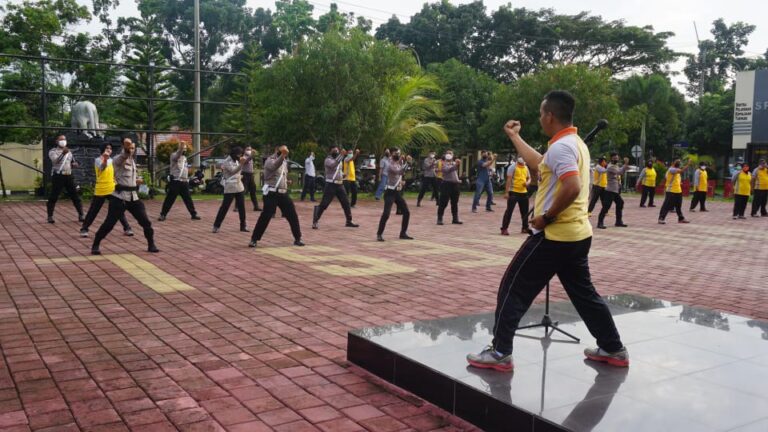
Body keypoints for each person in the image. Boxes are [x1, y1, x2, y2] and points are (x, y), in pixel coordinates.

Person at [467, 90, 627, 372]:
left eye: (541, 114)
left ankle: (500, 351)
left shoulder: (562, 147)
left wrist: (546, 217)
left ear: (550, 116)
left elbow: (573, 186)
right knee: (584, 294)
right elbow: (541, 164)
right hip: (578, 235)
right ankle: (613, 348)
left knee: (512, 289)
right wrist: (514, 137)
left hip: (554, 236)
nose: (540, 118)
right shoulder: (573, 143)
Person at [91, 137, 158, 255]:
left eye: (133, 148)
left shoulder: (132, 161)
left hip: (133, 197)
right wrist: (126, 149)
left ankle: (151, 244)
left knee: (146, 222)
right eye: (129, 148)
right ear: (124, 148)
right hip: (119, 197)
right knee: (109, 224)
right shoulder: (117, 159)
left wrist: (136, 181)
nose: (131, 150)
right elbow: (124, 155)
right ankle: (95, 244)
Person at [249, 145, 304, 248]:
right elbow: (274, 166)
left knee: (292, 215)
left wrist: (286, 181)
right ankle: (254, 239)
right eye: (282, 149)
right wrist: (282, 155)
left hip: (283, 193)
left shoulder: (284, 161)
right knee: (266, 216)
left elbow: (281, 175)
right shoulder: (270, 160)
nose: (285, 151)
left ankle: (298, 238)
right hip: (271, 193)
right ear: (277, 149)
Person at [80, 143, 133, 238]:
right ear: (102, 150)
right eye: (107, 148)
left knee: (118, 209)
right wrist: (105, 159)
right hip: (101, 189)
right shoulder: (97, 160)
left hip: (112, 188)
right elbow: (102, 168)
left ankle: (127, 228)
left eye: (110, 148)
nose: (109, 150)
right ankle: (84, 229)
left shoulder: (113, 161)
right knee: (93, 210)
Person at [313, 146, 359, 229]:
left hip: (340, 185)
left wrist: (342, 175)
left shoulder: (339, 160)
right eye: (334, 150)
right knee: (324, 204)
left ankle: (349, 221)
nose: (336, 151)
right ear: (330, 151)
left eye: (337, 150)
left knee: (346, 203)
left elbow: (338, 170)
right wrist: (341, 155)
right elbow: (333, 165)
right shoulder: (328, 160)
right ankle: (315, 221)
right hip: (331, 185)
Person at [377, 149, 413, 241]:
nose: (397, 154)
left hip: (397, 193)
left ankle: (403, 233)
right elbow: (399, 171)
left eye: (398, 153)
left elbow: (400, 174)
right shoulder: (390, 164)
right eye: (395, 153)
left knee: (406, 212)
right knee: (386, 214)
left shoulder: (398, 163)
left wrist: (401, 182)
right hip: (390, 192)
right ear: (391, 155)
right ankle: (379, 234)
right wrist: (407, 163)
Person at [159, 141, 201, 221]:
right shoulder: (174, 155)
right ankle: (163, 214)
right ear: (179, 149)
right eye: (183, 149)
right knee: (170, 199)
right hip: (175, 181)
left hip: (184, 182)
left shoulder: (184, 158)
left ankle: (193, 214)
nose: (184, 150)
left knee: (188, 199)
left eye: (185, 149)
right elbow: (179, 154)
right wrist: (181, 147)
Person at [46, 134, 84, 224]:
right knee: (54, 196)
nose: (63, 141)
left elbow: (72, 162)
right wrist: (63, 154)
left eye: (64, 139)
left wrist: (75, 164)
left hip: (69, 175)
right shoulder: (53, 151)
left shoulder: (69, 152)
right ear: (56, 141)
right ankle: (50, 216)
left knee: (75, 196)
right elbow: (55, 161)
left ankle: (81, 214)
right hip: (58, 176)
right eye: (61, 139)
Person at [212, 147, 250, 233]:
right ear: (234, 154)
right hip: (230, 187)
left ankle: (243, 225)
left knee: (242, 207)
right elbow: (233, 171)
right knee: (224, 207)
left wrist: (243, 161)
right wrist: (241, 164)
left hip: (239, 186)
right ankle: (216, 225)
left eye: (241, 155)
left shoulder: (237, 160)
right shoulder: (226, 162)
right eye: (239, 154)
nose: (240, 156)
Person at [596, 153, 629, 229]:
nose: (616, 159)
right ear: (611, 158)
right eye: (614, 158)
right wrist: (626, 164)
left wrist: (625, 166)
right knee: (606, 207)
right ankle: (600, 223)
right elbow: (620, 172)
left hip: (615, 190)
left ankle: (618, 221)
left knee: (620, 203)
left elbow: (621, 171)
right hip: (610, 190)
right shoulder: (610, 166)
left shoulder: (615, 166)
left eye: (617, 158)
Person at [500, 157, 531, 235]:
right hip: (514, 192)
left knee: (525, 211)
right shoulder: (512, 167)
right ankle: (504, 228)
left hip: (524, 192)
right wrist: (507, 192)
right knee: (509, 211)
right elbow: (509, 180)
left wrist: (527, 183)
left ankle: (525, 227)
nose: (523, 161)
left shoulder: (526, 167)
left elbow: (529, 178)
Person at [658, 159, 691, 224]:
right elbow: (681, 171)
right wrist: (688, 164)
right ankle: (661, 218)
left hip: (678, 191)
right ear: (673, 163)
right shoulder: (671, 169)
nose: (678, 163)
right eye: (677, 162)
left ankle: (681, 218)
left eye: (679, 162)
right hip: (671, 191)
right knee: (666, 205)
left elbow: (677, 179)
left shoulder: (677, 171)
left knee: (678, 206)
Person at [437, 150, 463, 225]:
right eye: (448, 153)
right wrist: (456, 165)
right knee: (443, 202)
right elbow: (447, 170)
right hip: (446, 184)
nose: (449, 155)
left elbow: (455, 170)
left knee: (455, 202)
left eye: (451, 153)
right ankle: (440, 218)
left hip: (455, 185)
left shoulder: (454, 163)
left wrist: (457, 164)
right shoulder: (443, 163)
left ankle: (455, 218)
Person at [241, 145, 261, 212]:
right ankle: (237, 207)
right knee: (242, 191)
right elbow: (246, 161)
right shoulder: (243, 157)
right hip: (244, 175)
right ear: (244, 150)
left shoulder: (251, 157)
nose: (249, 150)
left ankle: (256, 206)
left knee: (253, 191)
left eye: (250, 149)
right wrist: (251, 155)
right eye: (247, 149)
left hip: (250, 175)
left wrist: (252, 156)